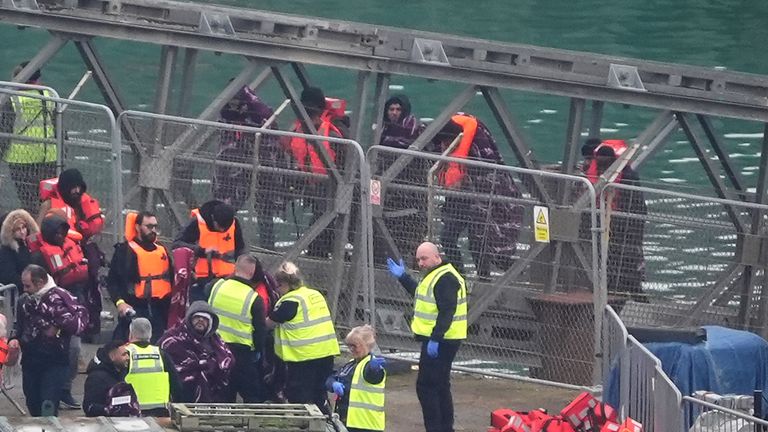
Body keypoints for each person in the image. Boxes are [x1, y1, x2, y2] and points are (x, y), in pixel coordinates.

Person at [386, 242, 467, 432]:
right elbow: (422, 295)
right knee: (439, 385)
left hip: (441, 340)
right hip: (441, 339)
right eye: (418, 260)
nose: (420, 263)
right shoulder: (437, 275)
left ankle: (436, 428)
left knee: (426, 386)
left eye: (424, 258)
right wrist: (404, 278)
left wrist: (436, 338)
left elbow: (447, 310)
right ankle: (445, 427)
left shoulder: (445, 278)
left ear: (437, 257)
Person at [433, 113, 522, 280]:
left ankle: (484, 280)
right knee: (447, 237)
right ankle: (459, 277)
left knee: (477, 241)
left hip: (480, 200)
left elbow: (492, 176)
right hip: (458, 202)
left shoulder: (478, 147)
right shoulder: (444, 147)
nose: (444, 145)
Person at [28, 211, 90, 410]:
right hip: (46, 315)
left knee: (74, 349)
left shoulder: (70, 248)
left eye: (63, 232)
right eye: (57, 232)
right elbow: (33, 288)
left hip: (69, 307)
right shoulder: (39, 256)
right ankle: (48, 393)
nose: (61, 236)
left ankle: (65, 388)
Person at [9, 264, 88, 416]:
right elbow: (19, 326)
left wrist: (58, 324)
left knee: (48, 404)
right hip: (30, 360)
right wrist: (14, 340)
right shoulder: (24, 301)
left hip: (55, 361)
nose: (24, 289)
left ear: (39, 282)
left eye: (27, 285)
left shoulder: (62, 297)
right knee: (32, 403)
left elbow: (80, 324)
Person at [38, 168, 104, 339]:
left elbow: (92, 227)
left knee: (89, 292)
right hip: (57, 257)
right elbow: (39, 230)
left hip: (80, 255)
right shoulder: (49, 204)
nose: (76, 191)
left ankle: (88, 327)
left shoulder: (82, 204)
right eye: (72, 187)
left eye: (78, 187)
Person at [266, 261, 340, 413]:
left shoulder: (289, 301)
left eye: (278, 286)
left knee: (299, 398)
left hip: (303, 357)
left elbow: (268, 324)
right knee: (319, 395)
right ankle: (328, 423)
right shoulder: (315, 294)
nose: (277, 290)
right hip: (326, 353)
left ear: (285, 284)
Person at [283, 87, 346, 258]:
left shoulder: (333, 131)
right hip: (309, 182)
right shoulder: (297, 129)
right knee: (320, 220)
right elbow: (288, 150)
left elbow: (346, 159)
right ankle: (318, 252)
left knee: (324, 220)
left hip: (331, 185)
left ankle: (318, 253)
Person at [585, 140, 647, 301]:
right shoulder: (592, 172)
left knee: (624, 260)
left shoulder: (626, 176)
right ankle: (614, 291)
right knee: (609, 261)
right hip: (603, 223)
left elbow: (635, 205)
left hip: (622, 225)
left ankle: (631, 293)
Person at [374, 94, 430, 264]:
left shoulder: (415, 129)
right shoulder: (383, 130)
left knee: (409, 233)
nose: (394, 113)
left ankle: (408, 265)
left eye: (398, 109)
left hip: (411, 189)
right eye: (391, 109)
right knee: (387, 230)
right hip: (389, 190)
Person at [207, 254, 267, 402]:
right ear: (252, 273)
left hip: (215, 349)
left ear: (235, 268)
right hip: (242, 355)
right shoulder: (254, 299)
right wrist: (259, 352)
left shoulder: (215, 286)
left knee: (221, 395)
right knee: (252, 397)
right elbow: (260, 332)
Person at [0, 62, 57, 213]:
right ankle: (45, 231)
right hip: (48, 157)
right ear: (38, 78)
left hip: (20, 158)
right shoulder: (49, 95)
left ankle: (30, 231)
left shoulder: (13, 99)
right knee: (47, 200)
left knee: (28, 200)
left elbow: (5, 129)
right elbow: (57, 127)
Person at [107, 211, 173, 342]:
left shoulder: (162, 250)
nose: (153, 230)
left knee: (156, 347)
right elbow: (113, 281)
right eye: (149, 226)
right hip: (134, 309)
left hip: (159, 311)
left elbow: (173, 278)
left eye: (155, 227)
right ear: (137, 227)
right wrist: (120, 303)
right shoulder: (125, 251)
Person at [157, 301, 234, 403]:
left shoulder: (216, 340)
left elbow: (227, 360)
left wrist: (212, 365)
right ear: (189, 319)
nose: (200, 320)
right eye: (197, 317)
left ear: (210, 323)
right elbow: (174, 363)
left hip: (214, 393)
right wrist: (203, 364)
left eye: (205, 319)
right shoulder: (173, 337)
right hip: (183, 391)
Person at [173, 199, 244, 303]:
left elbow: (240, 249)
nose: (222, 230)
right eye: (220, 226)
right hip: (201, 280)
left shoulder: (234, 223)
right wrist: (202, 250)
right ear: (213, 218)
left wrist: (241, 268)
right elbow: (177, 244)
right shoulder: (197, 222)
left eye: (225, 228)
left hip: (227, 279)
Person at [326, 325, 386, 432]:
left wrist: (374, 369)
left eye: (355, 346)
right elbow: (331, 378)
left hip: (366, 424)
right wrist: (333, 383)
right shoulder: (350, 364)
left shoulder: (370, 365)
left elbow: (373, 377)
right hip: (348, 420)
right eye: (349, 346)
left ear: (366, 345)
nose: (351, 349)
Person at [125, 317, 177, 416]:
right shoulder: (161, 354)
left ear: (130, 334)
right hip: (160, 413)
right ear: (150, 334)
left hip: (132, 412)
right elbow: (176, 384)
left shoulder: (125, 354)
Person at [83, 340, 138, 417]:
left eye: (128, 354)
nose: (128, 358)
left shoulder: (122, 372)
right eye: (124, 355)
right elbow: (89, 407)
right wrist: (108, 409)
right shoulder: (96, 378)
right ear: (112, 357)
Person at [0, 209, 39, 294]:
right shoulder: (6, 250)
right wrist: (30, 286)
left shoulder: (32, 244)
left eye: (24, 227)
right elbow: (9, 276)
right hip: (21, 292)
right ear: (10, 232)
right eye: (18, 229)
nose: (22, 232)